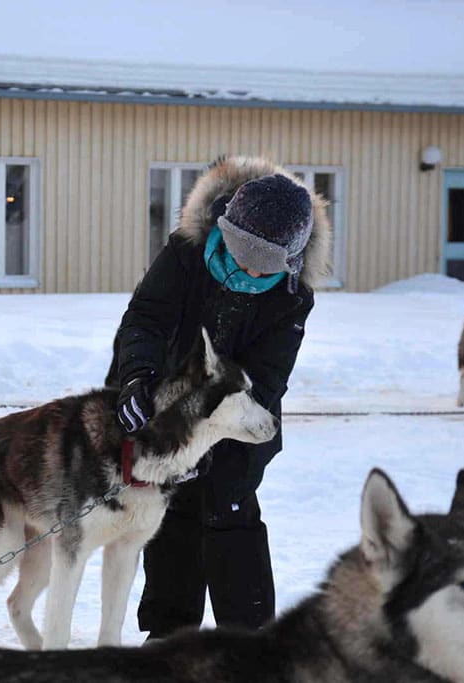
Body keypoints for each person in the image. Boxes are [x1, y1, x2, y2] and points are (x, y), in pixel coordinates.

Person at [106, 155, 330, 639]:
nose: (247, 267)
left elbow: (267, 379)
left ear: (288, 259)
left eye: (262, 262)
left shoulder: (292, 296)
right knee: (169, 511)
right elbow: (145, 318)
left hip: (239, 414)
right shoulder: (188, 251)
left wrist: (209, 438)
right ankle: (168, 633)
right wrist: (135, 378)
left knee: (230, 506)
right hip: (163, 400)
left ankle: (249, 640)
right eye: (240, 251)